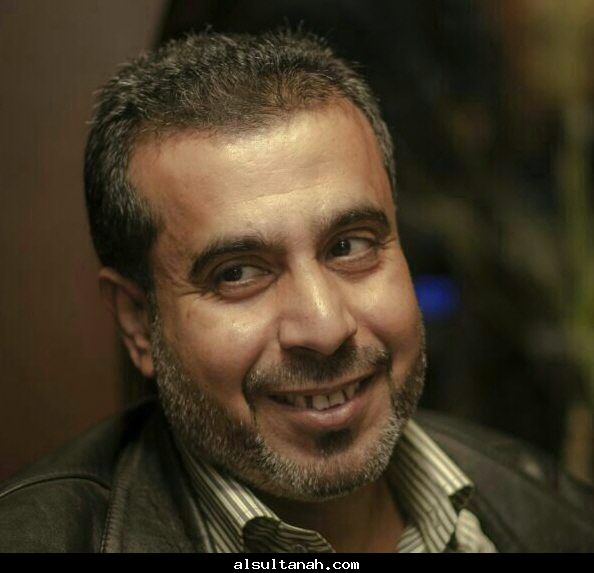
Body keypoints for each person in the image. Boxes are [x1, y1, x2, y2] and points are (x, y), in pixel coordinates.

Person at [0, 30, 592, 553]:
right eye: (237, 273)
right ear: (137, 323)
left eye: (350, 246)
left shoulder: (555, 514)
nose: (325, 327)